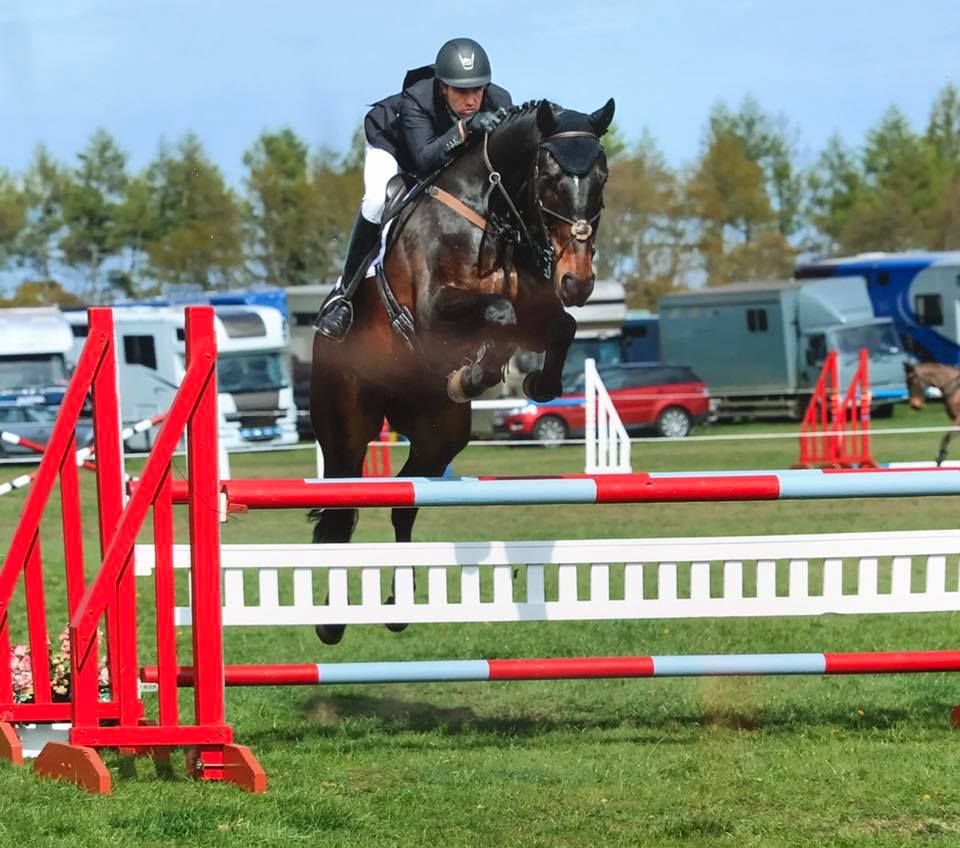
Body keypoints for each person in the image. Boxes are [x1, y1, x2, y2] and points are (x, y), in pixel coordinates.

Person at [314, 37, 513, 341]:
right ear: (443, 86)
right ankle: (343, 299)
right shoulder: (416, 100)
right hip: (394, 145)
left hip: (442, 154)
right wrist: (464, 128)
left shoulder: (499, 101)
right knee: (377, 201)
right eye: (461, 91)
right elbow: (422, 161)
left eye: (478, 89)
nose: (472, 99)